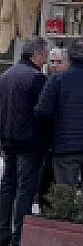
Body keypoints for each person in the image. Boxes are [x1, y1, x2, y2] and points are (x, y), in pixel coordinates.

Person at [0, 38, 49, 246]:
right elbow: (42, 112)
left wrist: (2, 135)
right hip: (29, 141)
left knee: (8, 186)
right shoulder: (36, 79)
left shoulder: (5, 77)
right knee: (26, 187)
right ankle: (19, 235)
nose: (45, 60)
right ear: (35, 55)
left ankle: (2, 233)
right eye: (44, 55)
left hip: (8, 140)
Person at [36, 39, 83, 191]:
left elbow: (43, 111)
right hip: (66, 144)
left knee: (65, 194)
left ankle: (66, 214)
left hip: (65, 146)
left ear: (69, 58)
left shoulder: (57, 80)